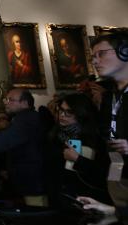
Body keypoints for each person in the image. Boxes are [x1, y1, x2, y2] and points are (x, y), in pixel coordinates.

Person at [45, 93, 111, 206]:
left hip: (86, 199)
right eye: (61, 110)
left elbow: (104, 174)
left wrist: (78, 159)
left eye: (69, 112)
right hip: (59, 197)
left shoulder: (96, 139)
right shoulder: (55, 134)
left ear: (81, 113)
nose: (62, 115)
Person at [89, 33, 128, 211]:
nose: (95, 61)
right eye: (93, 57)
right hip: (117, 174)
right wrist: (113, 182)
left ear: (124, 52)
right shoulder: (108, 97)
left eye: (102, 54)